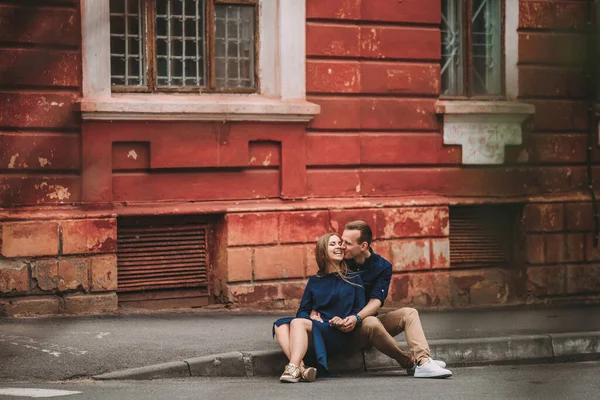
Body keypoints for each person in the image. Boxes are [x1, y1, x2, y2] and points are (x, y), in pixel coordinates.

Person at [312, 220, 452, 379]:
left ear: (363, 246)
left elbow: (376, 301)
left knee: (409, 313)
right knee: (371, 322)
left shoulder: (382, 266)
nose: (341, 246)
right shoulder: (340, 260)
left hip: (365, 321)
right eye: (341, 241)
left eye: (347, 243)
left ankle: (424, 361)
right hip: (344, 328)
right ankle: (412, 363)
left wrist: (357, 317)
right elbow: (321, 288)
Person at [273, 232, 365, 383]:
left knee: (297, 323)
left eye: (339, 243)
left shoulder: (354, 278)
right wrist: (310, 318)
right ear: (323, 251)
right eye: (332, 244)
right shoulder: (315, 280)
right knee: (280, 324)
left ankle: (293, 368)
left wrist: (346, 320)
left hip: (340, 331)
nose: (338, 247)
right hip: (318, 327)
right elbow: (302, 310)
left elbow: (359, 310)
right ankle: (300, 368)